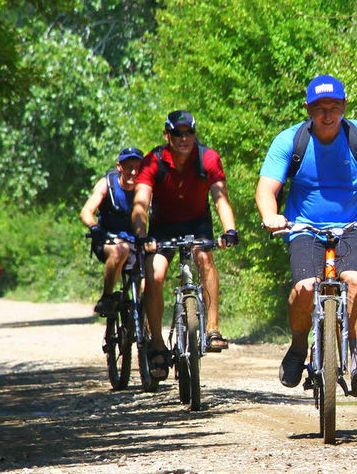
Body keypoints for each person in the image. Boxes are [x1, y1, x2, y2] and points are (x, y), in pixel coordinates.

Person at [255, 74, 357, 396]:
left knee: (354, 281)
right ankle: (297, 345)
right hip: (303, 227)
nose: (327, 114)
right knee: (305, 289)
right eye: (320, 107)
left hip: (354, 225)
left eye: (334, 106)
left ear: (344, 106)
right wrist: (270, 216)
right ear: (307, 108)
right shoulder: (289, 141)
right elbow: (267, 188)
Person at [132, 110, 239, 381]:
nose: (183, 138)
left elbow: (220, 198)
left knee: (205, 259)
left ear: (194, 134)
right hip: (163, 226)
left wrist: (230, 230)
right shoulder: (153, 160)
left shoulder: (208, 158)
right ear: (167, 135)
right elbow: (141, 203)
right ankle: (157, 344)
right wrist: (142, 235)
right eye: (177, 133)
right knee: (154, 274)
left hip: (196, 222)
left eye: (188, 133)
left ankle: (213, 328)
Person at [80, 146, 143, 316]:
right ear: (119, 167)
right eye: (129, 167)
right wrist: (94, 227)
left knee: (147, 284)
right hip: (108, 240)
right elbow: (86, 212)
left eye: (137, 168)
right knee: (120, 249)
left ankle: (148, 333)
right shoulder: (107, 184)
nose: (133, 172)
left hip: (136, 240)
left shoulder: (145, 188)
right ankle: (107, 297)